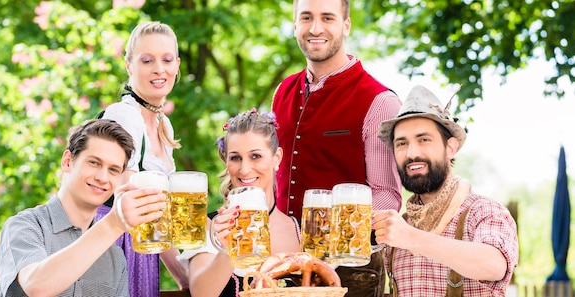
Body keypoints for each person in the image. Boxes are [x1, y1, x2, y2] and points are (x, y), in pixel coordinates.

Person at [271, 0, 402, 295]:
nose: (315, 28)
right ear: (295, 26)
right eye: (306, 17)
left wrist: (330, 239)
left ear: (346, 25)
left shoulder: (380, 101)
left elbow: (387, 197)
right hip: (283, 266)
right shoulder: (282, 92)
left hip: (351, 272)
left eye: (327, 18)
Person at [0, 119, 169, 297]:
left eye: (113, 170)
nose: (102, 177)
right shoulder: (24, 226)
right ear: (68, 161)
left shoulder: (115, 258)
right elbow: (36, 287)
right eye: (94, 163)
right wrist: (114, 222)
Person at [374, 85, 519, 296]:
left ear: (450, 147)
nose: (412, 153)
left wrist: (410, 237)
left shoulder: (483, 211)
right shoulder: (399, 228)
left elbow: (494, 265)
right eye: (402, 143)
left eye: (424, 140)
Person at [95, 21, 188, 296]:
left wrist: (186, 278)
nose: (159, 69)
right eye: (147, 60)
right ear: (129, 66)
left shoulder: (164, 125)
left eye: (167, 59)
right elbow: (133, 205)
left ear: (177, 64)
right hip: (112, 245)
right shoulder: (123, 115)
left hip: (143, 250)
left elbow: (159, 220)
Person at [177, 109, 302, 297]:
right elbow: (201, 294)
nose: (244, 169)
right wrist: (228, 249)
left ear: (276, 158)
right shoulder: (209, 225)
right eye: (235, 158)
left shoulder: (300, 231)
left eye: (255, 156)